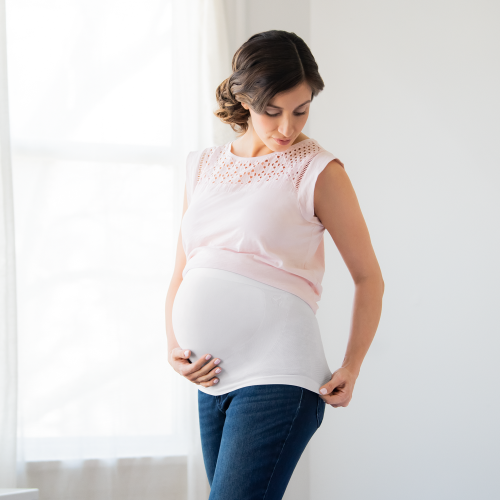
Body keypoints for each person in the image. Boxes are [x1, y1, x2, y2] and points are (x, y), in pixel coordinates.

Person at [165, 30, 384, 500]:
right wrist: (174, 348)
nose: (287, 127)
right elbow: (183, 271)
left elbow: (369, 277)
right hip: (210, 379)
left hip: (279, 374)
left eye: (301, 110)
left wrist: (353, 364)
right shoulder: (200, 166)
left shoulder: (319, 171)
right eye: (272, 110)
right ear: (244, 98)